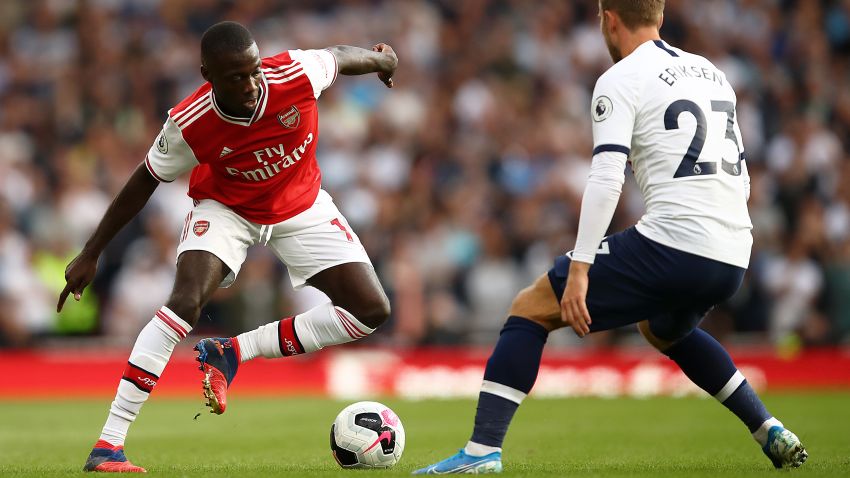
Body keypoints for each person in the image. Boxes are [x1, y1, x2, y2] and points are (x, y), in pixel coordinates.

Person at [414, 0, 807, 474]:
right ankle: (770, 429)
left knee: (532, 307)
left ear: (608, 18)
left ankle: (480, 454)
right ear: (659, 17)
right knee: (663, 329)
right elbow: (742, 173)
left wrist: (580, 267)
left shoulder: (620, 78)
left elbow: (606, 176)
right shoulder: (710, 72)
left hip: (676, 240)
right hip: (733, 249)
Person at [57, 21, 398, 473]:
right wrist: (92, 251)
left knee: (370, 312)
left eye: (254, 71)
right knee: (185, 302)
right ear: (208, 76)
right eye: (236, 77)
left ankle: (234, 352)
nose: (252, 84)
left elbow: (338, 54)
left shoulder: (293, 74)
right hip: (227, 209)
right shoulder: (190, 123)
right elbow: (144, 180)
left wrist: (382, 60)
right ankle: (109, 445)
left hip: (300, 204)